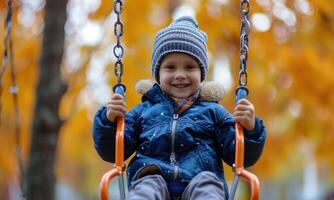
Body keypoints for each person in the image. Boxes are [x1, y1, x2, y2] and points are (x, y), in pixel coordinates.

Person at [93, 16, 266, 200]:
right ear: (157, 74)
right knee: (145, 188)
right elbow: (112, 152)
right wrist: (109, 121)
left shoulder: (214, 113)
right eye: (170, 67)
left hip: (201, 178)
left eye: (190, 67)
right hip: (151, 176)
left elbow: (240, 156)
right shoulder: (142, 112)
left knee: (208, 186)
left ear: (201, 73)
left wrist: (250, 129)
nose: (180, 75)